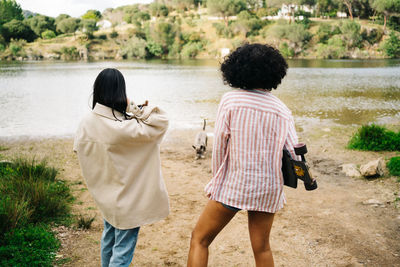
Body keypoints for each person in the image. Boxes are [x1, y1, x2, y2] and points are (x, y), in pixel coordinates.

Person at [187, 44, 300, 267]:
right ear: (275, 73)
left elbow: (220, 145)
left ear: (237, 69)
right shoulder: (282, 110)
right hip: (268, 187)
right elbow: (294, 153)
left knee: (199, 239)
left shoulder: (231, 101)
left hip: (235, 184)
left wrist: (217, 182)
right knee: (262, 248)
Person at [73, 68, 169, 267]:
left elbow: (79, 150)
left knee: (109, 239)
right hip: (127, 201)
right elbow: (161, 121)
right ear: (120, 92)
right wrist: (133, 107)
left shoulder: (86, 122)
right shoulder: (124, 128)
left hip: (104, 196)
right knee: (122, 251)